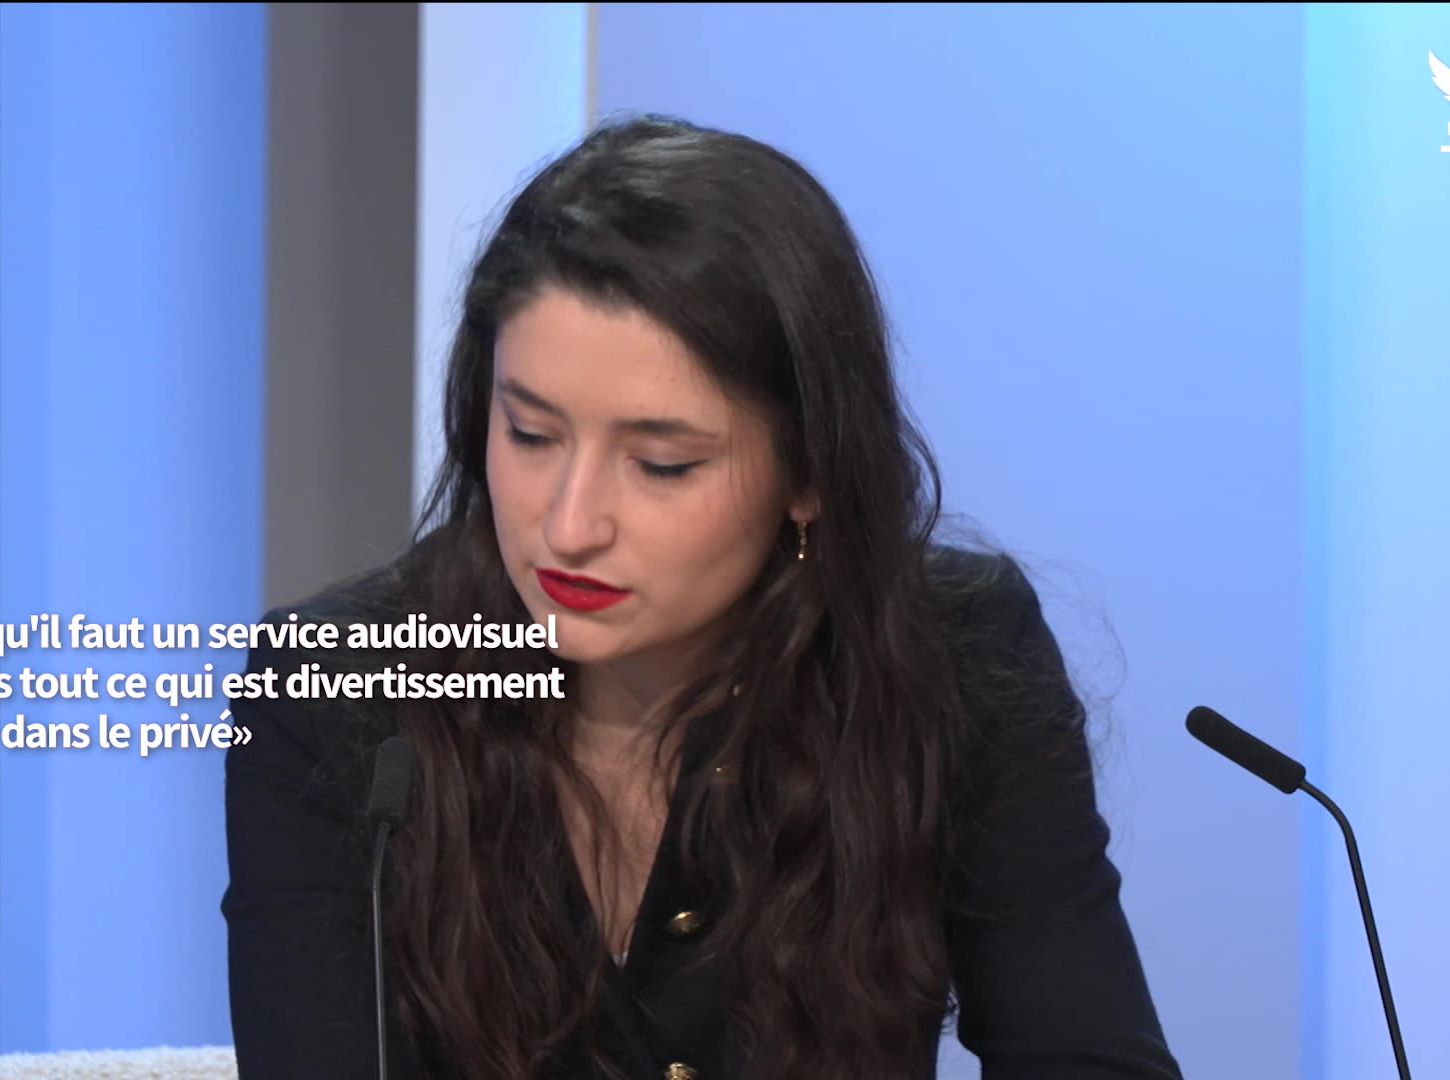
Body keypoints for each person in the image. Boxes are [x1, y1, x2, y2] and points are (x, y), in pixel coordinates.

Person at [222, 114, 1183, 1080]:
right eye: (531, 435)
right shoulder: (337, 687)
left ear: (808, 473)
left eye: (661, 464)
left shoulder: (954, 652)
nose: (570, 526)